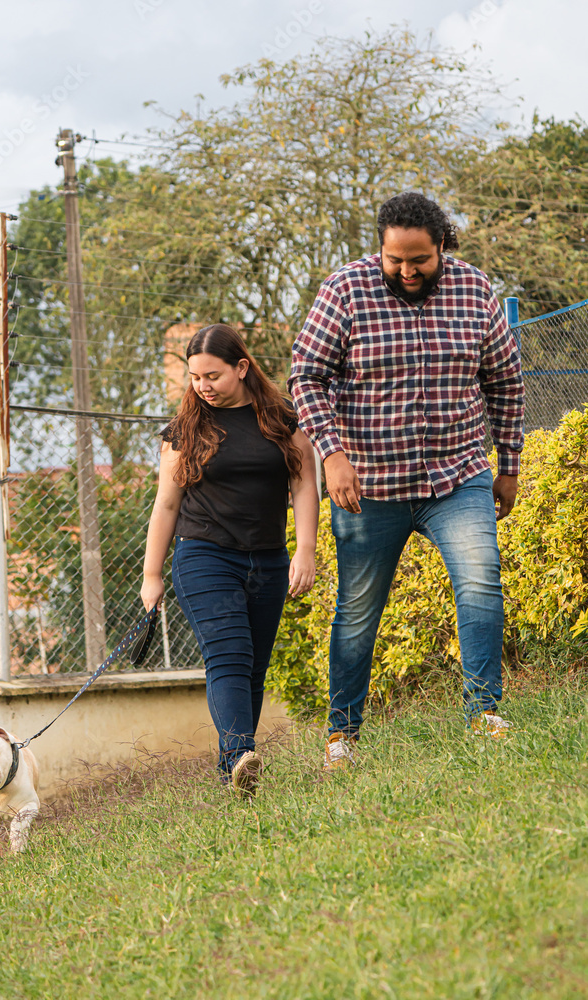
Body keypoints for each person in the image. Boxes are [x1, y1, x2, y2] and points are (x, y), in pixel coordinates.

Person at [288, 192, 525, 769]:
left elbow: (505, 380)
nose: (407, 270)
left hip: (458, 475)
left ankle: (484, 713)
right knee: (359, 610)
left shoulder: (474, 291)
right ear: (381, 248)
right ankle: (342, 736)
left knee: (480, 581)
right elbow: (307, 375)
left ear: (442, 245)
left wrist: (510, 464)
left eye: (419, 258)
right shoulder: (344, 290)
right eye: (395, 259)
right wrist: (333, 453)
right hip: (368, 485)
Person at [141, 323, 319, 796]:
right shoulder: (185, 430)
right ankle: (242, 753)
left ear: (241, 368)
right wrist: (151, 574)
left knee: (254, 667)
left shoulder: (281, 419)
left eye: (213, 376)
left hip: (268, 559)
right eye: (195, 377)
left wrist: (305, 549)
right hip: (204, 555)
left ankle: (233, 774)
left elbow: (304, 485)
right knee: (230, 656)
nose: (203, 387)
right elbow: (166, 505)